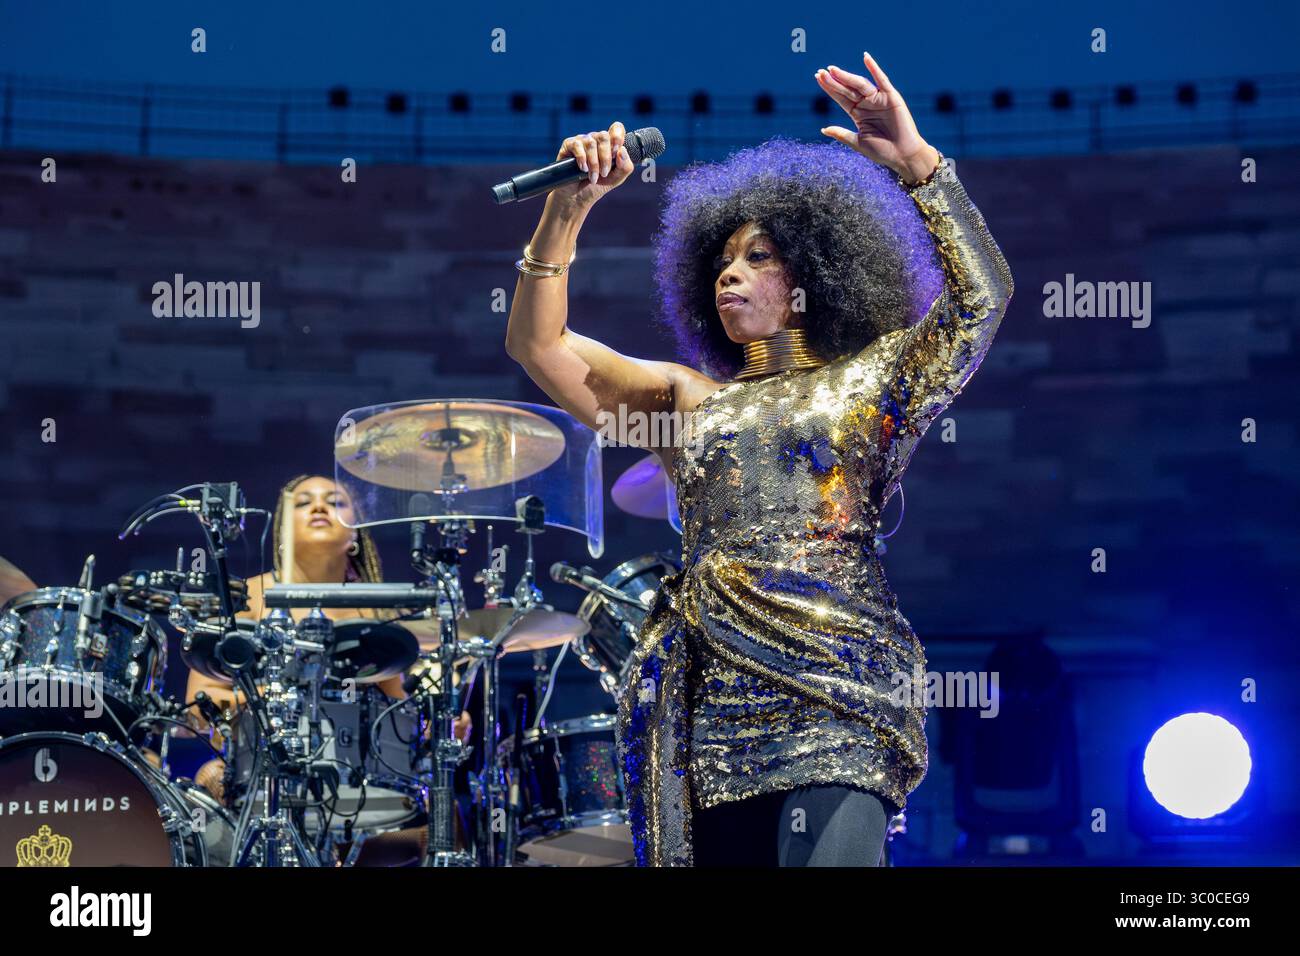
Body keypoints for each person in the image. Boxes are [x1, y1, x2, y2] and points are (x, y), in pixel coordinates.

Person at [505, 52, 1013, 866]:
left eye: (759, 257)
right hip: (709, 716)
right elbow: (538, 344)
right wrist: (565, 211)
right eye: (721, 262)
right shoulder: (684, 403)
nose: (729, 275)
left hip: (836, 699)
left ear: (817, 268)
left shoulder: (877, 380)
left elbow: (981, 299)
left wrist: (918, 166)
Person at [185, 475, 470, 801]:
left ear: (355, 533)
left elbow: (397, 714)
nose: (319, 506)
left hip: (353, 780)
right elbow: (196, 707)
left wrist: (437, 729)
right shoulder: (244, 599)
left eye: (335, 502)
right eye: (304, 502)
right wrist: (270, 697)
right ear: (282, 529)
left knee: (436, 809)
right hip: (260, 770)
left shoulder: (374, 615)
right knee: (208, 777)